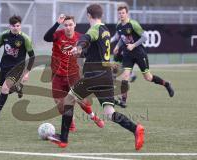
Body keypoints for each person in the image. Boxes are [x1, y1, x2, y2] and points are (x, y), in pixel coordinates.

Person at [48, 4, 144, 151]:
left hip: (94, 74)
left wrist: (78, 47)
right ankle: (135, 129)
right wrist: (81, 52)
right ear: (101, 15)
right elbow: (94, 50)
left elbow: (85, 39)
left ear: (88, 15)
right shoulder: (105, 30)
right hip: (106, 76)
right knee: (110, 113)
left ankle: (63, 138)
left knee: (68, 100)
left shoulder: (94, 29)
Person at [43, 14, 104, 131]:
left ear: (75, 25)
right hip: (57, 75)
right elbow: (46, 38)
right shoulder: (58, 35)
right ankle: (71, 122)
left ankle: (93, 116)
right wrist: (57, 23)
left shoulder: (80, 38)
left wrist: (81, 51)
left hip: (73, 74)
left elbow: (87, 51)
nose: (68, 27)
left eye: (70, 25)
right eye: (65, 25)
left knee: (80, 100)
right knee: (60, 104)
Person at [113, 4, 174, 107]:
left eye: (123, 13)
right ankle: (123, 101)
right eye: (119, 13)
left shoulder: (133, 24)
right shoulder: (118, 25)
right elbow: (122, 38)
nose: (121, 15)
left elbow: (145, 37)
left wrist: (133, 45)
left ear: (127, 13)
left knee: (148, 77)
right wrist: (117, 46)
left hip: (139, 53)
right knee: (125, 76)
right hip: (127, 54)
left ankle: (166, 84)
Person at [0, 15, 35, 121]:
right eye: (13, 26)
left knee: (5, 88)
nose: (15, 28)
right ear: (9, 26)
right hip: (4, 66)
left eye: (18, 25)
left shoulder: (25, 39)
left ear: (20, 26)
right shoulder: (4, 35)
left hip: (17, 68)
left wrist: (27, 72)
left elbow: (32, 57)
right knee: (3, 89)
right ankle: (17, 87)